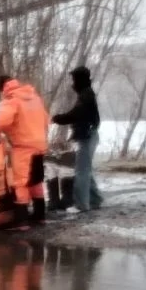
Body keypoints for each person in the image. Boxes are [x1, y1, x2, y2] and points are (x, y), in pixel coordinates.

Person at [0, 75, 50, 229]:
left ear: (2, 89)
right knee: (36, 180)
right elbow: (46, 120)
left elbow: (3, 121)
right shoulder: (35, 98)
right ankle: (40, 216)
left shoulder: (12, 100)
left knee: (21, 182)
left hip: (23, 147)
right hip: (39, 145)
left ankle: (22, 221)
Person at [50, 65, 103, 213]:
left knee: (81, 171)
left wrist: (56, 118)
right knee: (86, 169)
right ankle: (95, 200)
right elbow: (77, 115)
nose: (72, 83)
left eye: (74, 79)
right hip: (87, 135)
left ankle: (81, 205)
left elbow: (75, 114)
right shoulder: (86, 93)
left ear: (80, 79)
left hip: (86, 136)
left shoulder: (86, 95)